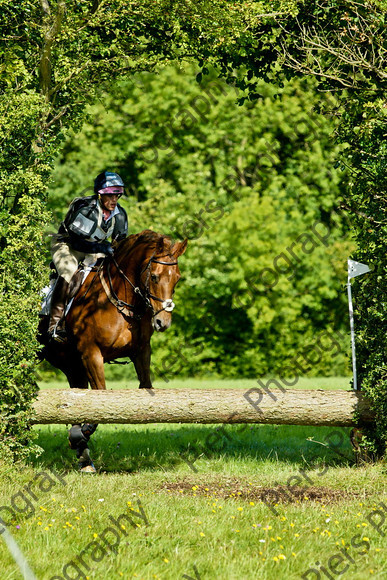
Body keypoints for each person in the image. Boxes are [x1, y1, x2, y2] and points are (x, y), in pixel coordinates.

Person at [48, 170, 128, 342]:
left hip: (93, 249)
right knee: (69, 270)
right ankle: (54, 324)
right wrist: (101, 247)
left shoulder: (120, 215)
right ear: (100, 194)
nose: (114, 200)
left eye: (117, 196)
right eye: (110, 196)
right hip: (68, 245)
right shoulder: (85, 209)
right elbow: (77, 243)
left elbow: (119, 242)